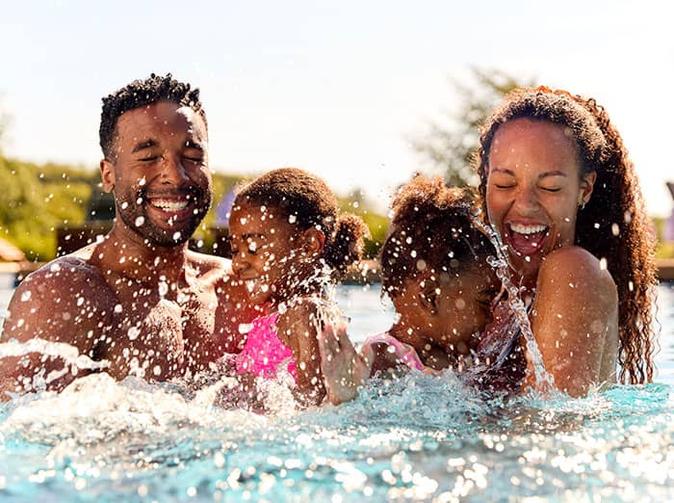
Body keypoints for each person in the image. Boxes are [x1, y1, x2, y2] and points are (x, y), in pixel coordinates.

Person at [0, 74, 252, 397]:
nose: (175, 174)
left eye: (192, 156)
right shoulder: (63, 294)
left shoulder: (239, 288)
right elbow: (21, 433)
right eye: (148, 157)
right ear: (108, 174)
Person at [477, 86, 656, 396]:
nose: (525, 205)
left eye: (550, 187)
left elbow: (550, 428)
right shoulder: (492, 289)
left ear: (584, 190)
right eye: (505, 184)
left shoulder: (573, 272)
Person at [319, 175, 514, 403]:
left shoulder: (461, 359)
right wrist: (345, 398)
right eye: (484, 301)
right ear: (430, 297)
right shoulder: (383, 359)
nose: (492, 315)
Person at [226, 167, 368, 406]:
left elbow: (311, 403)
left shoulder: (305, 313)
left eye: (252, 248)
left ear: (309, 244)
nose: (238, 263)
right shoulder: (286, 312)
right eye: (234, 250)